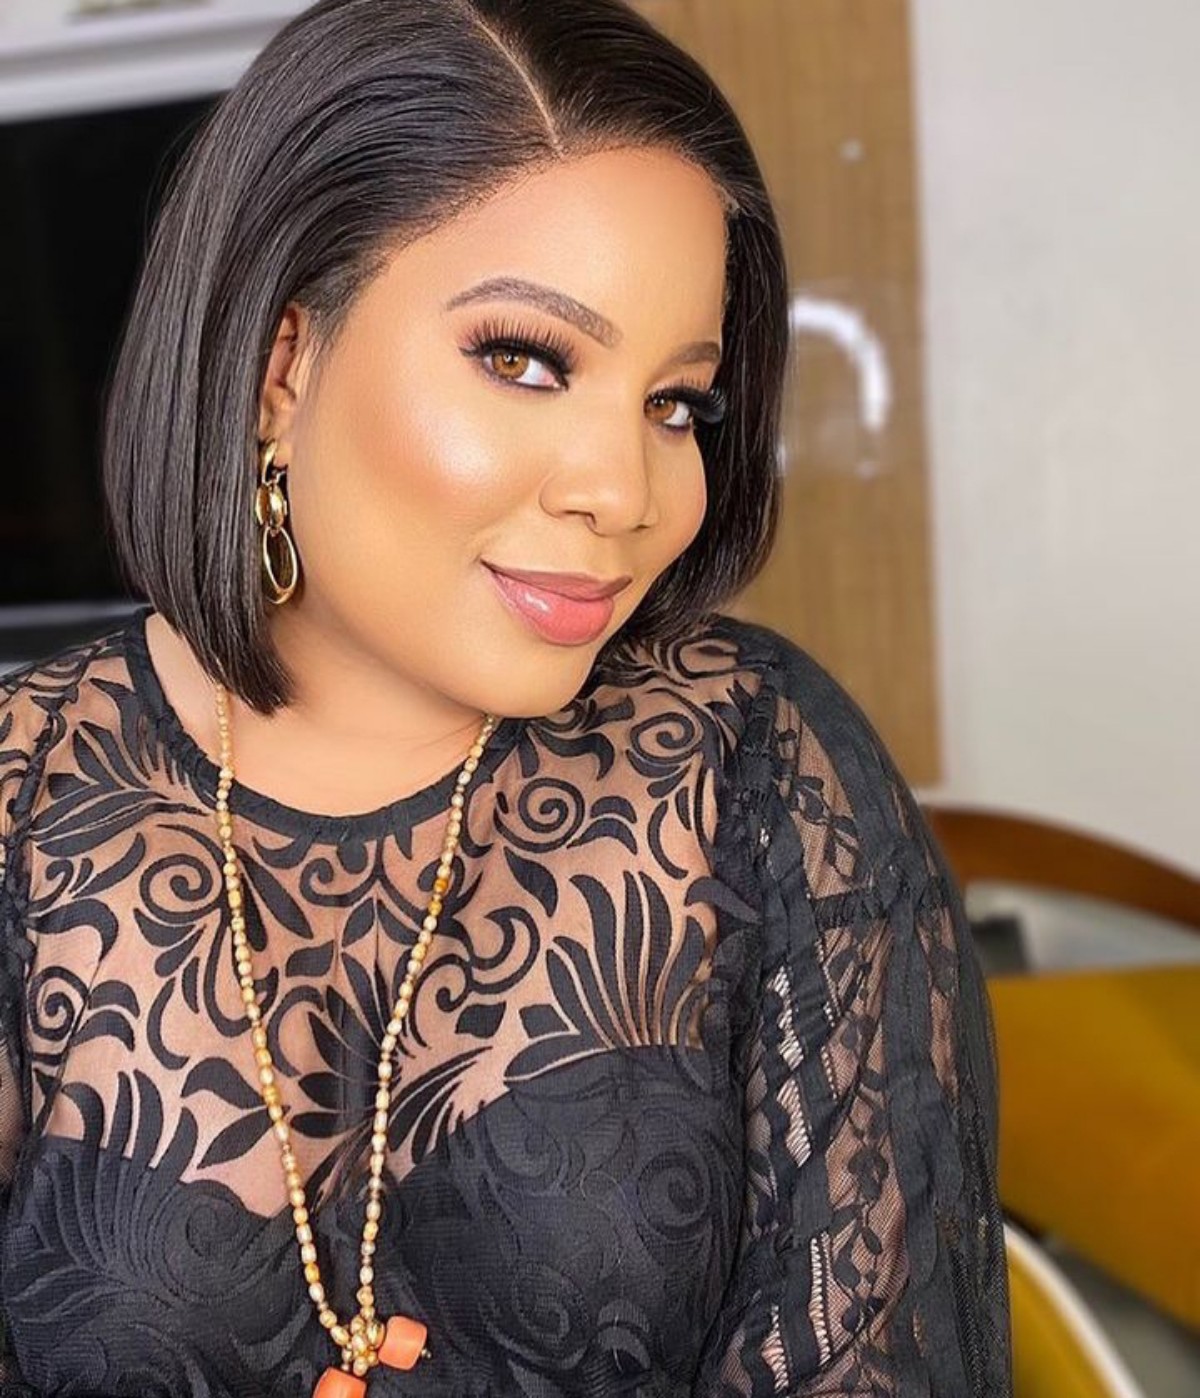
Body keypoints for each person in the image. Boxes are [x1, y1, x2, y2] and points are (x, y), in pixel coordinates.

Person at [0, 0, 1011, 1394]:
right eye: (525, 359)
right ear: (282, 367)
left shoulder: (754, 767)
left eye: (676, 403)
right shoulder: (22, 805)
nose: (624, 490)